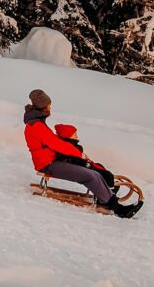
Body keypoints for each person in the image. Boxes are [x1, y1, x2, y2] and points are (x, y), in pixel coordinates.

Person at [23, 89, 140, 219]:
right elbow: (57, 144)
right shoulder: (35, 125)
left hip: (52, 161)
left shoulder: (38, 122)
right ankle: (117, 209)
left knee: (94, 173)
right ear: (42, 106)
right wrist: (79, 155)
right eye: (49, 104)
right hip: (47, 164)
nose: (50, 107)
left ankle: (106, 199)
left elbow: (54, 143)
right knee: (90, 175)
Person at [53, 124, 116, 193]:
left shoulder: (76, 146)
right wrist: (86, 163)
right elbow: (70, 160)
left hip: (83, 165)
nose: (77, 136)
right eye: (74, 134)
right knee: (104, 174)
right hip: (77, 168)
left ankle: (109, 185)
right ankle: (108, 190)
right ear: (68, 136)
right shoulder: (65, 147)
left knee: (100, 166)